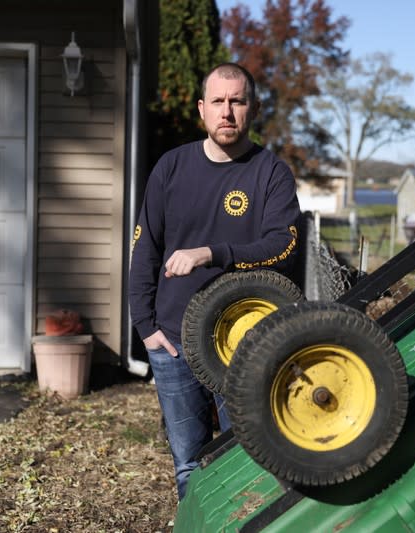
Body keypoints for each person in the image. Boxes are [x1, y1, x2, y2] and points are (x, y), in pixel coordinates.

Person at [128, 62, 301, 501]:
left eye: (237, 101)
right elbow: (144, 249)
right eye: (219, 102)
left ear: (253, 109)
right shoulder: (171, 168)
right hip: (174, 341)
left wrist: (213, 252)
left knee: (251, 460)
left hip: (243, 342)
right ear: (203, 109)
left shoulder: (270, 173)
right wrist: (146, 328)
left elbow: (284, 247)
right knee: (189, 463)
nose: (227, 112)